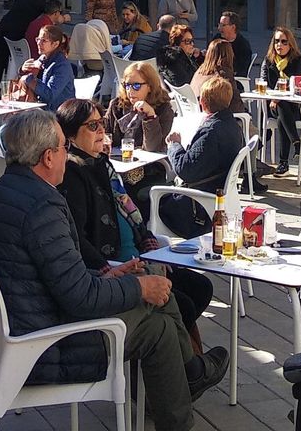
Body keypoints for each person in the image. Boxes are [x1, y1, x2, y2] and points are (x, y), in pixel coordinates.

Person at [0, 108, 226, 431]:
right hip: (45, 346)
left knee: (161, 296)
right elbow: (80, 298)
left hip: (23, 324)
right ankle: (179, 416)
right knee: (157, 325)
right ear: (48, 157)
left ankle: (189, 373)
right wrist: (138, 288)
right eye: (64, 148)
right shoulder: (42, 207)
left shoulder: (2, 193)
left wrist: (108, 275)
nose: (67, 155)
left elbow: (54, 275)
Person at [56, 100, 218, 354]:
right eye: (92, 126)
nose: (101, 131)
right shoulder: (74, 173)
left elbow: (127, 207)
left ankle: (181, 360)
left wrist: (146, 237)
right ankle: (186, 364)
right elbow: (76, 234)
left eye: (101, 124)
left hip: (138, 256)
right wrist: (106, 266)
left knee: (200, 287)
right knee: (183, 302)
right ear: (71, 135)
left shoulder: (102, 164)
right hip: (117, 267)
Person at [162, 77, 247, 234]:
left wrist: (174, 145)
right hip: (214, 190)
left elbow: (185, 170)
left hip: (195, 207)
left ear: (203, 103)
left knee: (146, 197)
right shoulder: (233, 125)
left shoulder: (210, 132)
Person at [0, 0, 53, 100]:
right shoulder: (40, 4)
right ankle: (20, 90)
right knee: (18, 62)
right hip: (17, 37)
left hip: (3, 29)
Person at [261, 27, 301, 175]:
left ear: (290, 44)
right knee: (281, 108)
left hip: (295, 107)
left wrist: (278, 97)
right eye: (276, 41)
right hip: (273, 105)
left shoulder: (298, 60)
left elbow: (299, 83)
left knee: (283, 113)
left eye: (283, 42)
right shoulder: (268, 61)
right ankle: (296, 144)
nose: (279, 45)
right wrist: (274, 97)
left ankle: (284, 163)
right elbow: (263, 82)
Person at [108, 61, 175, 153]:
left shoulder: (163, 109)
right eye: (127, 85)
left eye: (136, 86)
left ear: (150, 87)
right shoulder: (117, 106)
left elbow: (152, 148)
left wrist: (150, 117)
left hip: (148, 164)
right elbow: (105, 135)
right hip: (118, 160)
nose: (130, 91)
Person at [15, 23, 75, 111]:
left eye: (44, 41)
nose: (39, 43)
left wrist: (28, 79)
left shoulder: (61, 65)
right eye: (38, 39)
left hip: (58, 114)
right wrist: (22, 70)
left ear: (55, 44)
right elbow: (28, 76)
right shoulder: (43, 58)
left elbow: (50, 94)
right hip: (43, 109)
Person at [190, 40, 245, 114]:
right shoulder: (223, 73)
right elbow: (237, 106)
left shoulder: (200, 71)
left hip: (199, 114)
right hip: (219, 118)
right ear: (229, 55)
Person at [209, 11, 253, 80]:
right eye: (219, 25)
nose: (219, 28)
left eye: (223, 25)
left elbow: (242, 71)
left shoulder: (243, 46)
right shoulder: (217, 39)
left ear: (233, 27)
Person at [156, 22, 200, 90]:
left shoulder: (186, 59)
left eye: (192, 40)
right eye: (187, 41)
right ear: (177, 42)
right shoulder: (175, 61)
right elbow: (186, 84)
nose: (192, 44)